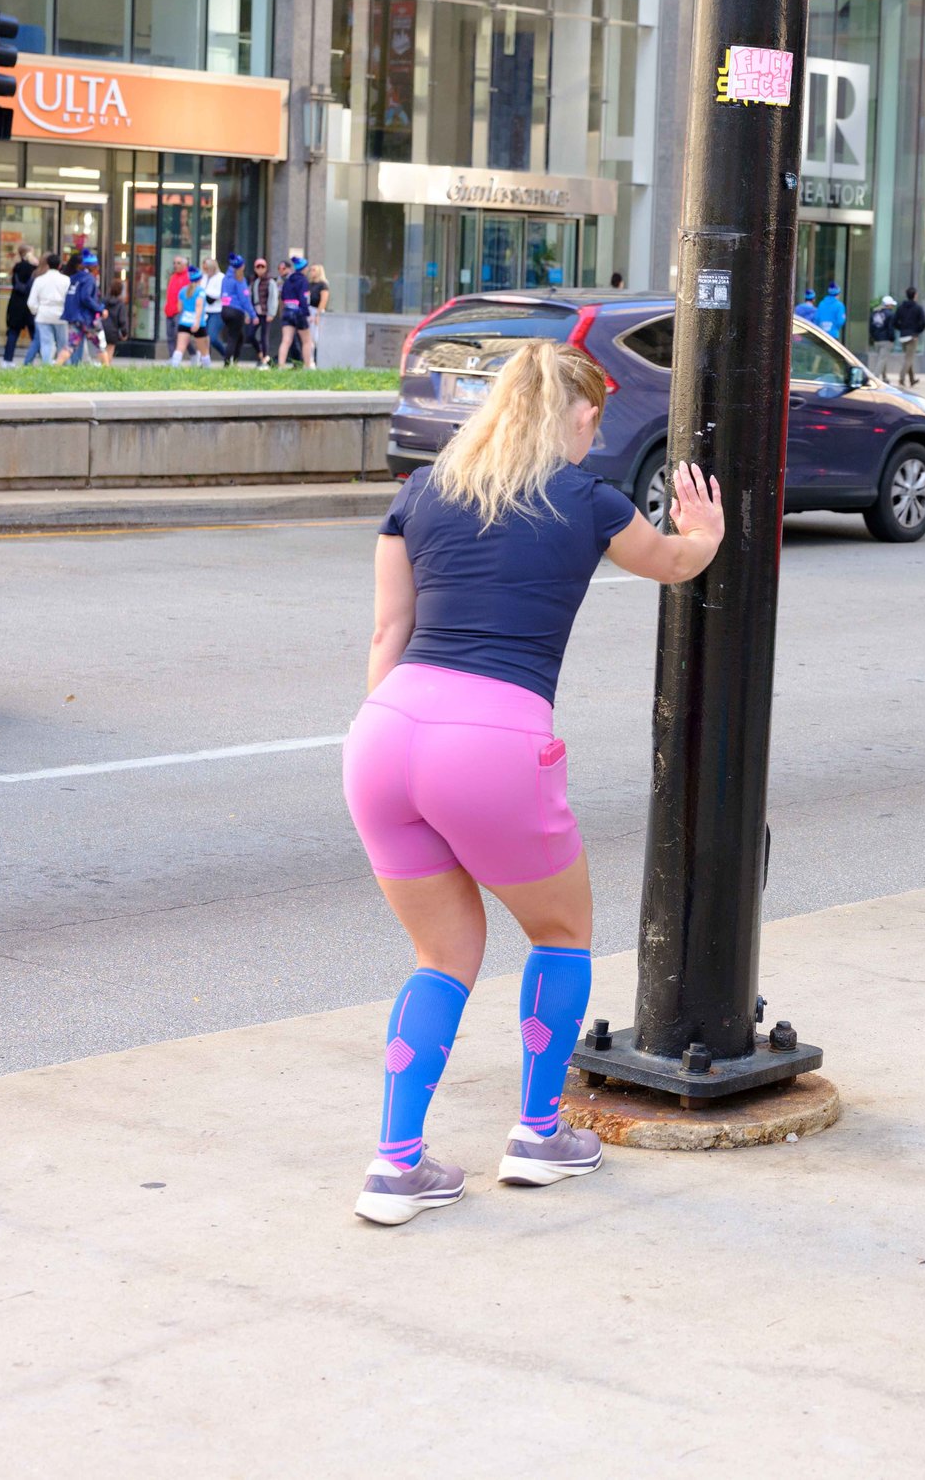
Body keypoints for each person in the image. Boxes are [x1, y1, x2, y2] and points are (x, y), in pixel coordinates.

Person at [342, 342, 726, 1225]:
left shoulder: (420, 493)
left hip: (385, 732)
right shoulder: (586, 497)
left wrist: (402, 742)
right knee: (560, 932)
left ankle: (395, 1166)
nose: (595, 433)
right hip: (493, 735)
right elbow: (672, 563)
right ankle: (538, 1134)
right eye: (595, 419)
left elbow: (387, 635)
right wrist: (704, 532)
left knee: (441, 955)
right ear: (579, 414)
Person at [28, 253, 70, 364]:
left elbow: (31, 302)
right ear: (60, 265)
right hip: (61, 314)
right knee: (63, 344)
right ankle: (64, 365)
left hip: (43, 314)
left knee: (46, 344)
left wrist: (37, 311)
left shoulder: (39, 280)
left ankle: (47, 365)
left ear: (47, 264)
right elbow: (70, 300)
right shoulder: (66, 280)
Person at [217, 250, 255, 366]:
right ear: (241, 266)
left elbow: (222, 294)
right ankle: (227, 364)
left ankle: (235, 362)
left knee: (239, 337)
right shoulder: (239, 279)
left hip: (225, 310)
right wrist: (253, 314)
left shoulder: (225, 278)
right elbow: (244, 299)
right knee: (233, 337)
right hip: (236, 311)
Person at [277, 254, 314, 367]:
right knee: (307, 341)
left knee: (286, 340)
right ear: (304, 268)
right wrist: (307, 314)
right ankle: (307, 366)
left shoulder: (288, 280)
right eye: (307, 267)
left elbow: (283, 296)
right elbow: (304, 298)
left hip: (287, 310)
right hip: (299, 312)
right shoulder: (303, 281)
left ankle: (281, 365)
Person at [2, 250, 38, 364]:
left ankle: (7, 360)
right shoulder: (34, 270)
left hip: (16, 303)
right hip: (29, 304)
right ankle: (40, 359)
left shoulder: (16, 268)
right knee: (35, 334)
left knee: (13, 332)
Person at [894, 285, 925, 385]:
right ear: (915, 295)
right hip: (912, 336)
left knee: (908, 358)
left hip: (903, 335)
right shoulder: (918, 308)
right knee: (908, 359)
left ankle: (912, 379)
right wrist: (917, 331)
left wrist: (901, 329)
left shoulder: (901, 307)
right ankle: (901, 378)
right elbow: (924, 322)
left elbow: (895, 321)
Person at [867, 294, 899, 378]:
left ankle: (885, 377)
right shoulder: (890, 314)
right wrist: (892, 338)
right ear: (888, 305)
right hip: (886, 340)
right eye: (891, 304)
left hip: (876, 339)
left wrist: (873, 337)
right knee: (882, 359)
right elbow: (890, 328)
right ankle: (875, 377)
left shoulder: (875, 313)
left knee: (881, 358)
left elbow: (871, 326)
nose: (892, 306)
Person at [305, 263, 330, 367]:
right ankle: (309, 360)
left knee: (316, 336)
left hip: (317, 310)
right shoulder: (309, 284)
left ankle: (318, 359)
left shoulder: (323, 285)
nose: (311, 272)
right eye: (311, 270)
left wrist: (318, 314)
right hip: (309, 310)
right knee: (309, 337)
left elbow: (323, 300)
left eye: (314, 270)